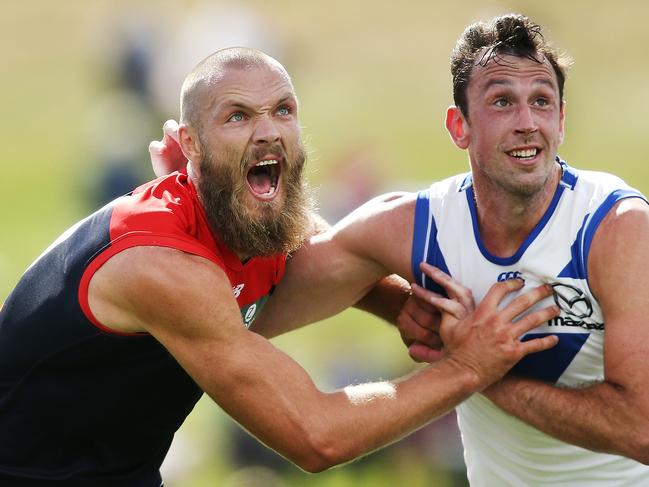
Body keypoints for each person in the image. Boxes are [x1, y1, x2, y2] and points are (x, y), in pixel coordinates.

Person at [0, 47, 558, 486]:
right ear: (190, 145)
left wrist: (397, 304)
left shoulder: (245, 214)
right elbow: (317, 438)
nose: (268, 131)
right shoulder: (164, 267)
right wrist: (467, 367)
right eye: (238, 116)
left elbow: (320, 242)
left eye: (282, 110)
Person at [150, 13, 649, 486]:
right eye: (502, 102)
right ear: (459, 126)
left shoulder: (616, 229)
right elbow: (249, 310)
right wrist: (205, 188)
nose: (527, 122)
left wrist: (475, 366)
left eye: (541, 101)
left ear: (561, 120)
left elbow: (641, 429)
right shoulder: (413, 227)